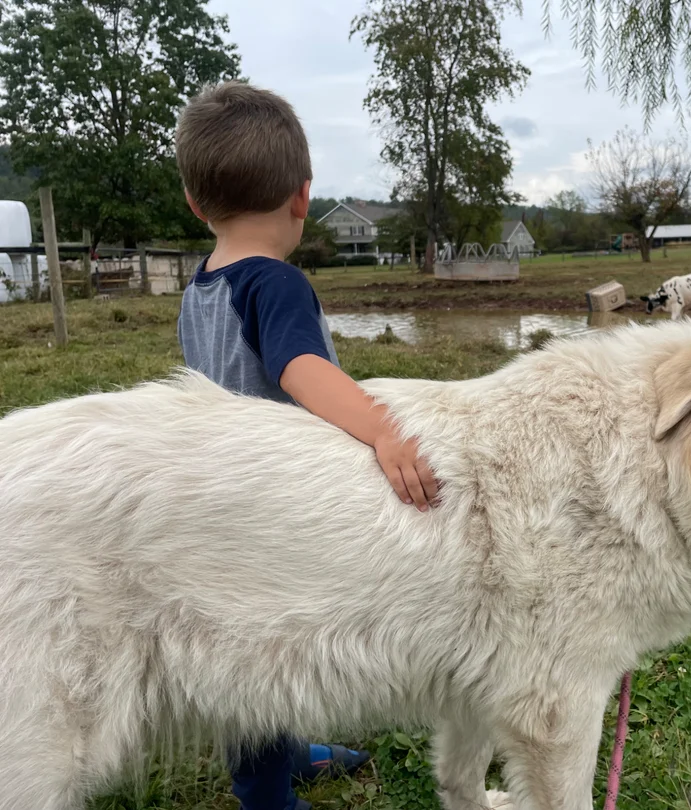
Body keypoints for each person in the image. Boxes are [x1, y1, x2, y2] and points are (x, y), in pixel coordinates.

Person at [174, 80, 439, 810]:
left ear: (196, 204)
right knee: (263, 649)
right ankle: (263, 790)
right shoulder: (275, 282)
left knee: (248, 635)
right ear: (302, 196)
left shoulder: (201, 285)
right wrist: (383, 427)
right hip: (270, 500)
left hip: (215, 489)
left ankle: (289, 752)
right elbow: (300, 368)